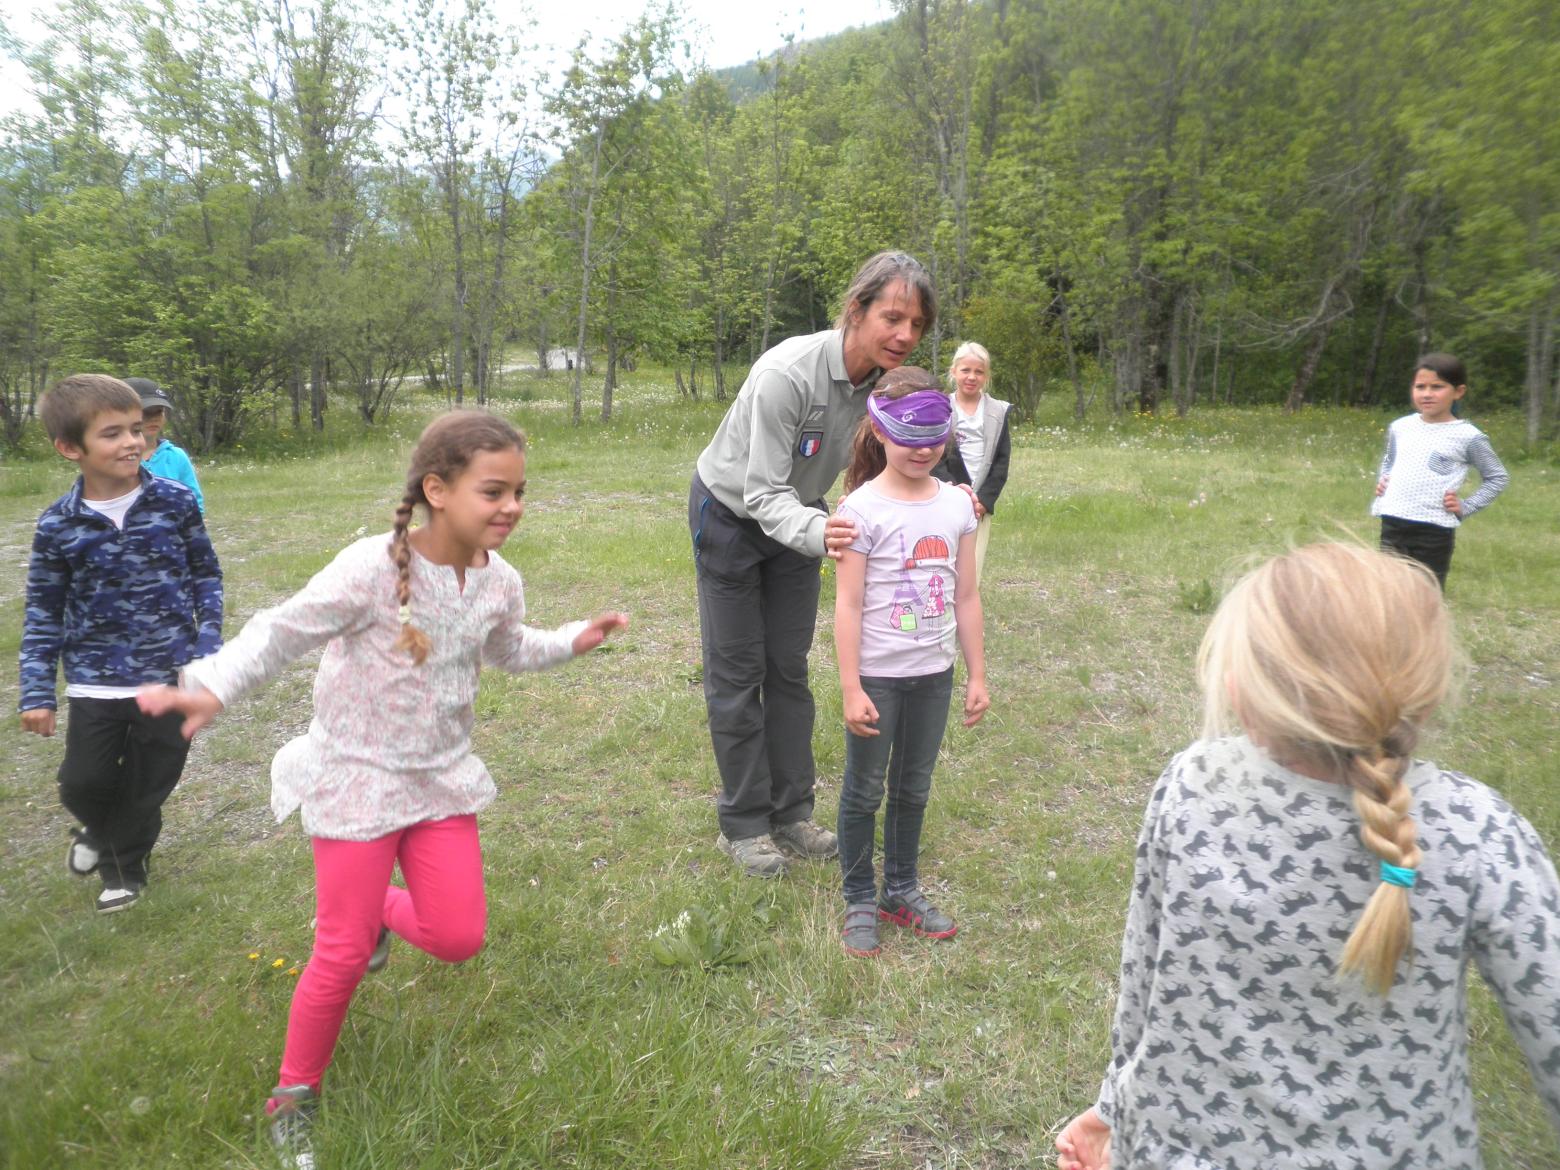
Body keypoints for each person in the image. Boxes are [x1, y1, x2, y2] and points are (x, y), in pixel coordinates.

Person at [136, 410, 628, 1164]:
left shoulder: (501, 583)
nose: (512, 507)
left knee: (459, 936)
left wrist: (570, 641)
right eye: (493, 491)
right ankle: (294, 1091)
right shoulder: (371, 567)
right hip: (355, 782)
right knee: (336, 951)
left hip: (437, 782)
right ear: (437, 488)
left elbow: (510, 648)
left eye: (520, 491)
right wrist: (212, 685)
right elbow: (281, 631)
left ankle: (379, 919)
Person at [1055, 543, 1560, 1170]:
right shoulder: (1480, 831)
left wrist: (1114, 1106)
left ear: (1241, 691)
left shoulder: (1190, 787)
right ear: (1422, 695)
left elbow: (1142, 980)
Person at [689, 251, 937, 878]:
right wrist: (827, 533)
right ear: (856, 310)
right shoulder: (787, 374)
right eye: (892, 317)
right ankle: (744, 825)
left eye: (917, 324)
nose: (905, 335)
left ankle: (791, 813)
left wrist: (946, 496)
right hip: (731, 516)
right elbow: (762, 493)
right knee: (738, 674)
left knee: (789, 670)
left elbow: (917, 440)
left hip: (805, 520)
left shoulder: (884, 384)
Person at [19, 374, 223, 914]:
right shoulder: (58, 526)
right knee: (81, 782)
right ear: (71, 448)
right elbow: (42, 610)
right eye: (111, 434)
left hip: (171, 674)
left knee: (149, 781)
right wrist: (36, 691)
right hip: (95, 680)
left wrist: (207, 645)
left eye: (136, 430)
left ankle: (123, 869)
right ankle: (96, 827)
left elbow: (207, 577)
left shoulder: (175, 502)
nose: (132, 442)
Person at [833, 368, 988, 957]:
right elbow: (847, 605)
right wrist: (851, 686)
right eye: (909, 433)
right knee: (865, 789)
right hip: (878, 675)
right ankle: (859, 899)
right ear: (879, 430)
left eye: (935, 434)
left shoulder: (958, 507)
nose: (923, 447)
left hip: (934, 675)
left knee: (913, 787)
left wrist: (976, 674)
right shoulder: (859, 510)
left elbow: (966, 595)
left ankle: (900, 889)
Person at [1371, 352, 1507, 588]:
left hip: (1433, 530)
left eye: (1437, 386)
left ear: (1458, 391)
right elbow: (1390, 460)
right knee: (1389, 590)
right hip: (1393, 522)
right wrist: (1385, 479)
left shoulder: (1467, 436)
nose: (1427, 393)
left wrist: (1466, 506)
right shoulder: (1401, 427)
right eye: (1420, 386)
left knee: (1425, 594)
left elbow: (1497, 477)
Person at [932, 341, 1011, 587]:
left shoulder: (998, 411)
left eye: (978, 372)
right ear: (954, 371)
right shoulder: (941, 407)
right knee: (942, 560)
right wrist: (954, 492)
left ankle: (967, 615)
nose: (971, 377)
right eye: (965, 370)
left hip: (980, 504)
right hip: (946, 498)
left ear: (986, 376)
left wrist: (983, 501)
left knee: (972, 567)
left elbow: (1001, 461)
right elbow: (935, 456)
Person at [127, 376, 205, 513]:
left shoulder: (176, 456)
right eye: (145, 412)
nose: (154, 418)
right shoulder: (119, 456)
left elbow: (194, 501)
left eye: (159, 411)